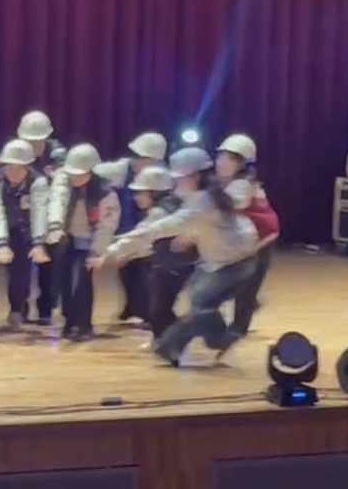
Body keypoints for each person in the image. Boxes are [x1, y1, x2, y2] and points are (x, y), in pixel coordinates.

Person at [99, 147, 259, 366]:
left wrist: (117, 247)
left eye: (180, 178)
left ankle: (191, 344)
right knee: (199, 301)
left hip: (234, 262)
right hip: (228, 259)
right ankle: (194, 344)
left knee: (200, 302)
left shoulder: (203, 200)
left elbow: (165, 226)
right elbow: (209, 224)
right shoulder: (208, 195)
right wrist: (191, 235)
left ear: (195, 177)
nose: (176, 183)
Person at [47, 144, 120, 341]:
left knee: (82, 281)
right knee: (63, 279)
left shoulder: (105, 193)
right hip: (67, 236)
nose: (75, 178)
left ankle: (84, 323)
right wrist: (55, 227)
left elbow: (107, 225)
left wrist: (97, 251)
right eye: (73, 174)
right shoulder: (63, 182)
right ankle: (69, 321)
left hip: (89, 239)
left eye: (80, 174)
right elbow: (57, 202)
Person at [0, 139, 51, 335]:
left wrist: (38, 243)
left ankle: (16, 311)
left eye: (19, 168)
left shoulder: (38, 182)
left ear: (28, 167)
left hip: (20, 228)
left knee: (21, 272)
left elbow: (40, 211)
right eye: (9, 167)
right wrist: (1, 244)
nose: (13, 172)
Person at [94, 132, 168, 324]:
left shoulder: (161, 175)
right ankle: (132, 308)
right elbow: (95, 170)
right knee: (126, 270)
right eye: (138, 157)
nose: (139, 162)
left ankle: (147, 312)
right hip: (126, 223)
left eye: (146, 159)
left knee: (146, 271)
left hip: (150, 228)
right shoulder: (119, 170)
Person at [122, 165, 198, 348]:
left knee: (158, 309)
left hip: (172, 266)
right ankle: (164, 341)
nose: (136, 197)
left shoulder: (160, 212)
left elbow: (141, 236)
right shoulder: (171, 206)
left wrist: (115, 252)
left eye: (141, 193)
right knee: (156, 308)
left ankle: (174, 340)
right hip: (167, 264)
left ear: (155, 193)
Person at [215, 133, 280, 336]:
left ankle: (238, 329)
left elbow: (233, 205)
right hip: (243, 240)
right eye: (221, 157)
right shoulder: (228, 182)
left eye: (230, 159)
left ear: (243, 164)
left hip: (260, 240)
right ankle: (248, 306)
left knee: (247, 285)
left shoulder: (242, 185)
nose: (221, 163)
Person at [16, 110, 66, 325]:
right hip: (25, 213)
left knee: (50, 266)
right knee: (22, 265)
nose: (34, 145)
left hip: (51, 213)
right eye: (29, 141)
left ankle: (46, 309)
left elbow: (64, 182)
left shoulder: (59, 154)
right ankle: (20, 308)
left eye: (38, 141)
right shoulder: (17, 151)